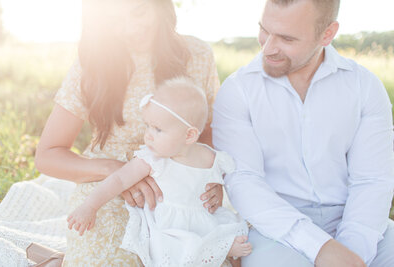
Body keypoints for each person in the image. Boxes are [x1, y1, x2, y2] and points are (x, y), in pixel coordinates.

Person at [34, 0, 222, 265]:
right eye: (114, 20)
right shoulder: (93, 62)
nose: (130, 28)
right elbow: (47, 155)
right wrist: (117, 170)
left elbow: (207, 133)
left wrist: (213, 180)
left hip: (179, 186)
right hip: (108, 188)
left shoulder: (198, 54)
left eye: (138, 12)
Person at [211, 0, 394, 267]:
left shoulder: (364, 86)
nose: (268, 47)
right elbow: (244, 181)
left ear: (327, 34)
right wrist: (320, 248)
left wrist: (351, 252)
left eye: (286, 38)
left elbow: (372, 180)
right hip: (273, 228)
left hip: (355, 219)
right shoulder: (238, 90)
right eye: (264, 29)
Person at [67, 77, 252, 266]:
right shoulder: (153, 159)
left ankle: (224, 250)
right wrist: (89, 206)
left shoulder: (212, 158)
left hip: (202, 221)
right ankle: (221, 249)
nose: (148, 135)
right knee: (180, 248)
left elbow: (234, 183)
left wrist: (219, 188)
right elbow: (119, 180)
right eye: (147, 125)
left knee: (232, 232)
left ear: (189, 135)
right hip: (169, 228)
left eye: (158, 129)